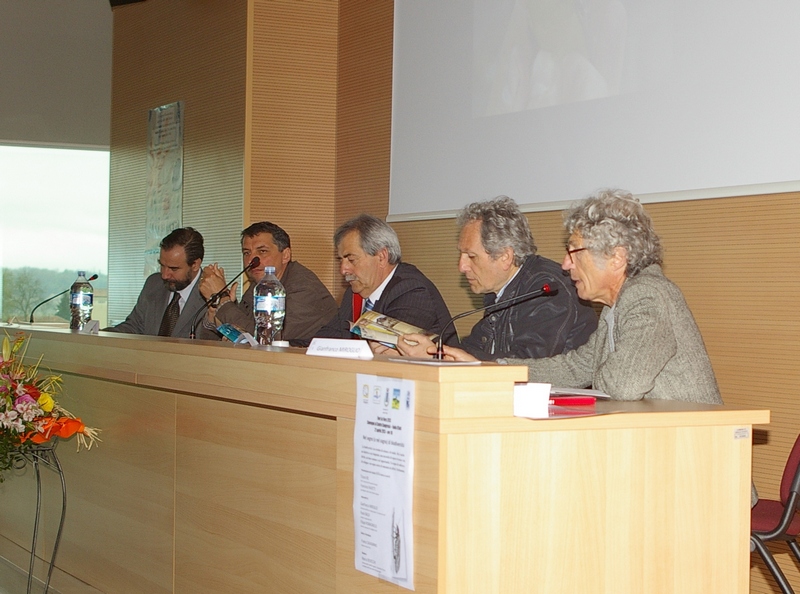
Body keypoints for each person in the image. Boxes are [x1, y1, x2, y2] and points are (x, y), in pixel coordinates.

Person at [437, 189, 723, 404]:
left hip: (700, 465)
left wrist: (597, 372)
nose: (565, 264)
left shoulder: (648, 294)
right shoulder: (617, 305)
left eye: (574, 251)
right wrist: (487, 368)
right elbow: (575, 366)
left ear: (616, 257)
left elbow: (624, 384)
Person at [396, 196, 597, 360]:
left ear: (504, 257)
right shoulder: (501, 291)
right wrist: (426, 351)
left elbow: (529, 362)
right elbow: (472, 349)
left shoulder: (547, 289)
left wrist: (439, 357)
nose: (462, 266)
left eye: (471, 257)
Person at [315, 214, 457, 347]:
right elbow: (324, 340)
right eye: (341, 260)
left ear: (382, 257)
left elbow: (386, 347)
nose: (343, 270)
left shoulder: (412, 290)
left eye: (351, 260)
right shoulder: (354, 294)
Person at [197, 221, 337, 344]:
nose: (252, 261)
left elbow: (267, 338)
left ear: (285, 255)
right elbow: (212, 342)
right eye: (246, 253)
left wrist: (223, 301)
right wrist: (214, 313)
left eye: (262, 251)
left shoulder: (304, 287)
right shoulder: (258, 286)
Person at [105, 227, 206, 338]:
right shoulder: (153, 284)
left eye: (174, 269)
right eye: (162, 265)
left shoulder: (212, 296)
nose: (164, 275)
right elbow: (134, 327)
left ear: (195, 264)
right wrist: (99, 334)